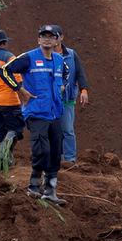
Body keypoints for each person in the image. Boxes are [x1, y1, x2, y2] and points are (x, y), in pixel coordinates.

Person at [0, 25, 70, 204]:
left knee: (55, 152)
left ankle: (50, 191)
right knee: (42, 150)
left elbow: (67, 74)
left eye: (50, 37)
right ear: (38, 40)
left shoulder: (60, 60)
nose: (47, 39)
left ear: (56, 40)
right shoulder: (29, 58)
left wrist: (63, 86)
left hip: (55, 112)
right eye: (43, 36)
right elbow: (3, 71)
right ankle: (33, 186)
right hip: (36, 111)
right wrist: (19, 89)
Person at [52, 30, 89, 164]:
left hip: (67, 98)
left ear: (61, 37)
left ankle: (70, 159)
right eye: (49, 37)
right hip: (50, 99)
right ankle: (56, 158)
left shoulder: (71, 54)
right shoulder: (44, 55)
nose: (53, 39)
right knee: (53, 130)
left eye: (55, 36)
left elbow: (80, 73)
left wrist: (84, 90)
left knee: (67, 129)